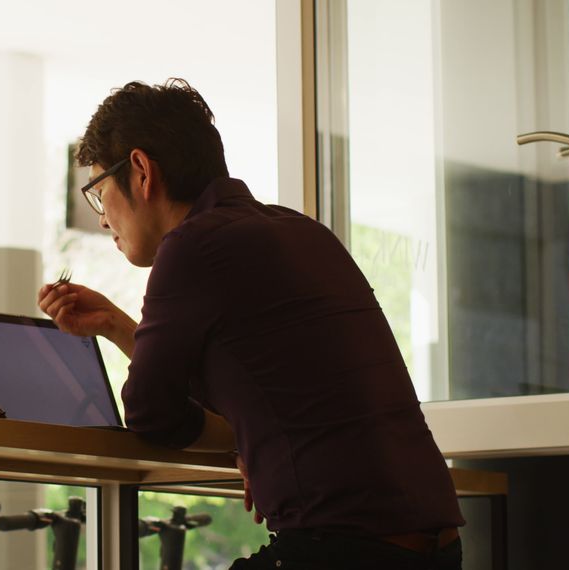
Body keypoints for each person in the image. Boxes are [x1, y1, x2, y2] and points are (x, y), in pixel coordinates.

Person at [37, 79, 464, 570]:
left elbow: (153, 414)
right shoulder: (300, 230)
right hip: (433, 543)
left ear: (140, 171)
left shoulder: (193, 246)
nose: (102, 220)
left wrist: (249, 443)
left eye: (99, 193)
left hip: (345, 547)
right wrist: (114, 324)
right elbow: (272, 391)